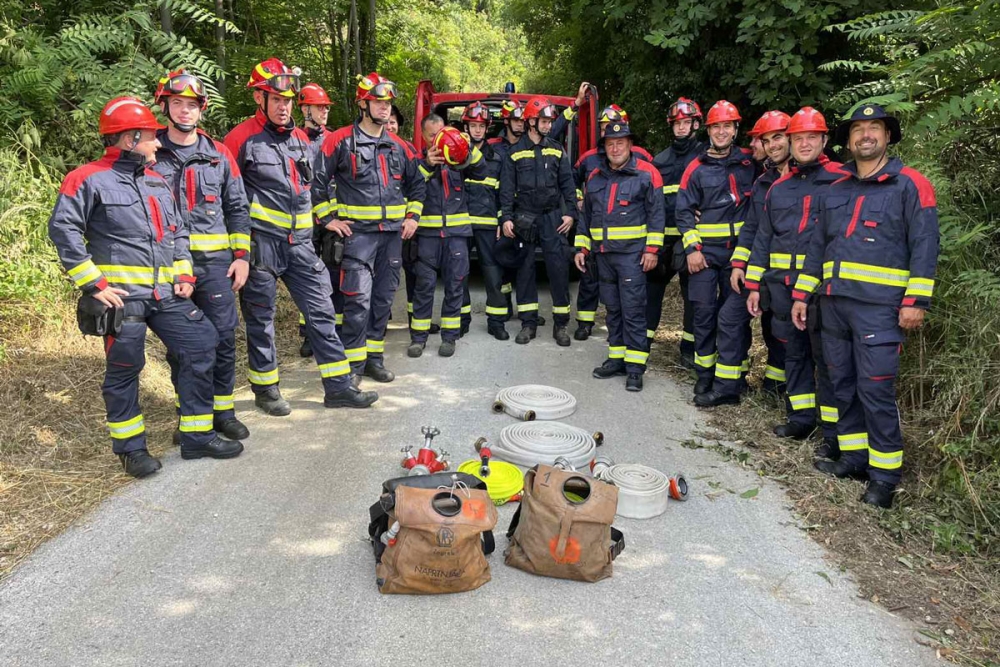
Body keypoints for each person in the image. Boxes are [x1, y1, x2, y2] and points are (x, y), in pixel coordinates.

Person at [48, 96, 238, 477]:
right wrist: (93, 283)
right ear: (130, 138)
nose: (157, 143)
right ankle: (131, 450)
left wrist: (184, 274)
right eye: (151, 136)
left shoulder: (155, 181)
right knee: (125, 369)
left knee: (202, 343)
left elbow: (178, 232)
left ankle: (196, 435)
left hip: (165, 294)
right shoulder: (85, 178)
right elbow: (63, 229)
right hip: (121, 299)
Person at [791, 104, 939, 508]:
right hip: (834, 305)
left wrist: (916, 301)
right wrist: (803, 294)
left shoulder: (911, 185)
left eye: (874, 128)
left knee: (875, 391)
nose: (866, 135)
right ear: (849, 139)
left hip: (881, 310)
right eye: (858, 129)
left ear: (888, 136)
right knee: (841, 384)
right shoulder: (836, 190)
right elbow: (817, 248)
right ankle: (854, 457)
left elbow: (925, 246)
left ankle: (884, 476)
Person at [224, 58, 378, 414]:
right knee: (261, 319)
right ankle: (267, 390)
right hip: (261, 244)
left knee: (322, 310)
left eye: (289, 100)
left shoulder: (299, 139)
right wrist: (237, 250)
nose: (284, 106)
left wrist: (325, 222)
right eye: (276, 99)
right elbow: (227, 198)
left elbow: (316, 187)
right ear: (259, 100)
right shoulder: (240, 139)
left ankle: (338, 386)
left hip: (301, 244)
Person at [151, 70, 252, 445]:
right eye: (177, 103)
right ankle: (191, 415)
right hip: (166, 265)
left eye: (192, 105)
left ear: (201, 110)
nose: (185, 111)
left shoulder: (218, 154)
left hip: (214, 265)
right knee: (183, 345)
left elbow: (238, 207)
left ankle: (222, 411)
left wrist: (241, 255)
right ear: (165, 106)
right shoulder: (149, 152)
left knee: (223, 338)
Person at [313, 72, 425, 383]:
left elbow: (418, 186)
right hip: (358, 237)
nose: (385, 108)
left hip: (391, 238)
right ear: (362, 104)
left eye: (388, 102)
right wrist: (328, 219)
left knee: (382, 302)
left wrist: (413, 217)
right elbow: (317, 183)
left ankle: (374, 359)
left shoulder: (400, 147)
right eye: (378, 102)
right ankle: (353, 367)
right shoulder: (340, 141)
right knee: (357, 302)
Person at [741, 107, 843, 448]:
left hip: (822, 289)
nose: (804, 144)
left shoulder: (842, 181)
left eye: (811, 137)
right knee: (793, 354)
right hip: (784, 286)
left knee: (828, 361)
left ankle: (832, 434)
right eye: (798, 138)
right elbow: (762, 239)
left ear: (824, 140)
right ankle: (800, 418)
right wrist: (754, 285)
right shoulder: (778, 188)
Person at [695, 110, 791, 408]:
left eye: (778, 138)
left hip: (794, 275)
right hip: (758, 270)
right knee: (729, 318)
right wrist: (740, 265)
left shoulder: (819, 180)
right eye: (766, 140)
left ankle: (780, 388)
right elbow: (752, 229)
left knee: (782, 332)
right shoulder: (763, 181)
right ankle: (727, 388)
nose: (769, 145)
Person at [675, 100, 758, 395]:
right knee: (704, 314)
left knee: (734, 319)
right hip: (706, 255)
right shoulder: (695, 168)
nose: (721, 132)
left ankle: (735, 375)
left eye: (727, 126)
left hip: (741, 254)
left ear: (736, 129)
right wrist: (692, 249)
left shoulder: (751, 162)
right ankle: (705, 373)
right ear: (708, 130)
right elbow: (684, 212)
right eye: (716, 127)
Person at [574, 122, 664, 391]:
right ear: (604, 148)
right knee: (612, 309)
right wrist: (582, 248)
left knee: (633, 311)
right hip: (603, 256)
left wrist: (652, 250)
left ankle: (635, 368)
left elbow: (657, 215)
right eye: (610, 144)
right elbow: (586, 217)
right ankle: (616, 358)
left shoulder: (647, 174)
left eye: (620, 143)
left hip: (632, 257)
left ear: (630, 145)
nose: (615, 148)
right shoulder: (596, 176)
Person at [498, 96, 577, 346]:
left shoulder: (556, 148)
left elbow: (568, 183)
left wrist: (571, 213)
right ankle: (528, 323)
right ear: (531, 122)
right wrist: (507, 218)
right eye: (544, 121)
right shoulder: (514, 152)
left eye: (549, 121)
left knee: (558, 268)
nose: (548, 125)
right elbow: (507, 190)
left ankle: (561, 325)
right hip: (525, 218)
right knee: (525, 270)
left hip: (553, 217)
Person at [571, 104, 653, 341]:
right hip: (597, 240)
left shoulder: (643, 161)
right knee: (591, 283)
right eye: (605, 128)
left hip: (629, 249)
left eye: (614, 127)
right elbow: (570, 181)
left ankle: (633, 360)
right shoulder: (589, 159)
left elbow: (653, 202)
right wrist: (579, 199)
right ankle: (585, 323)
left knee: (629, 302)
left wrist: (651, 248)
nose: (610, 133)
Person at [406, 117, 485, 357]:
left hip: (457, 237)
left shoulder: (458, 160)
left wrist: (467, 148)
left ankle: (449, 338)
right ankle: (418, 339)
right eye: (431, 136)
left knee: (455, 286)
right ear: (423, 137)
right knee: (424, 287)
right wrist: (428, 166)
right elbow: (409, 187)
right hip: (427, 237)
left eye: (440, 133)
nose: (437, 140)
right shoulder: (417, 162)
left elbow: (482, 172)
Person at [649, 98, 704, 365]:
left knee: (693, 298)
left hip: (692, 241)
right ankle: (642, 346)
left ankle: (689, 352)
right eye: (676, 123)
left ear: (696, 123)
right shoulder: (660, 160)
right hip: (663, 240)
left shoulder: (706, 157)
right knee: (651, 294)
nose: (681, 128)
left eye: (686, 122)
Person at [461, 101, 510, 340]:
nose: (478, 130)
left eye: (481, 125)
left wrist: (502, 221)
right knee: (459, 274)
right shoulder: (457, 154)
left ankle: (497, 322)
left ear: (487, 128)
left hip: (488, 224)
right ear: (466, 126)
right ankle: (461, 321)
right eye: (473, 125)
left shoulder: (498, 158)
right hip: (461, 224)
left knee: (493, 275)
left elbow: (503, 194)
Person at [296, 82, 337, 358]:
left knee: (332, 274)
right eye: (319, 107)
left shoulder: (334, 139)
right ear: (305, 109)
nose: (324, 112)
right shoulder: (294, 139)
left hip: (331, 220)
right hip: (304, 221)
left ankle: (332, 330)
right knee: (308, 277)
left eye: (326, 107)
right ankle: (309, 333)